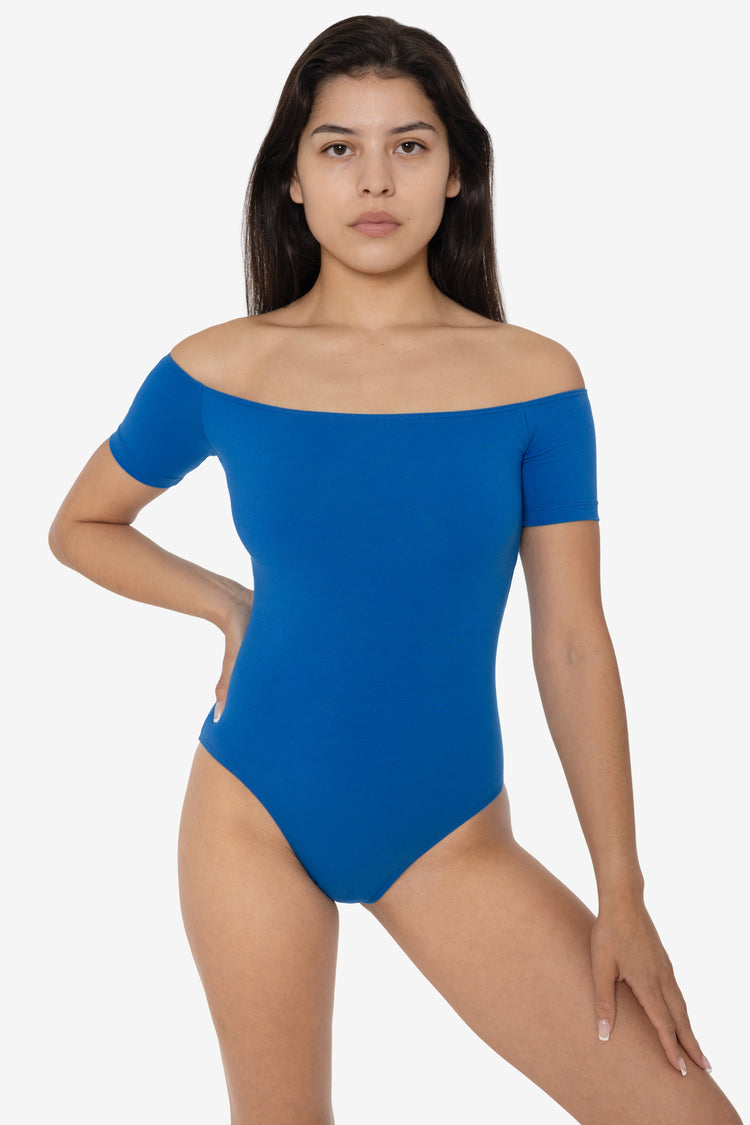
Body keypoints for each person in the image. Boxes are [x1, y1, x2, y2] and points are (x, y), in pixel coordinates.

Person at [48, 14, 743, 1125]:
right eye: (338, 147)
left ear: (457, 170)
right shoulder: (217, 368)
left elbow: (572, 640)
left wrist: (622, 892)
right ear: (292, 178)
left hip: (450, 831)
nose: (375, 179)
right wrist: (225, 604)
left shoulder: (535, 381)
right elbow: (82, 524)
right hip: (251, 806)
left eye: (409, 145)